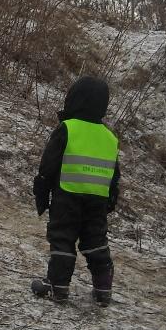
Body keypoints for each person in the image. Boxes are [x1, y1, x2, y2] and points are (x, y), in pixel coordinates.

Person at [31, 76, 121, 307]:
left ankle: (58, 286)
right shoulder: (110, 137)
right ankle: (103, 288)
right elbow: (114, 173)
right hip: (98, 199)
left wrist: (41, 192)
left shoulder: (68, 128)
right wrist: (111, 199)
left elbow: (49, 164)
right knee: (96, 240)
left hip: (67, 194)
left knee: (62, 238)